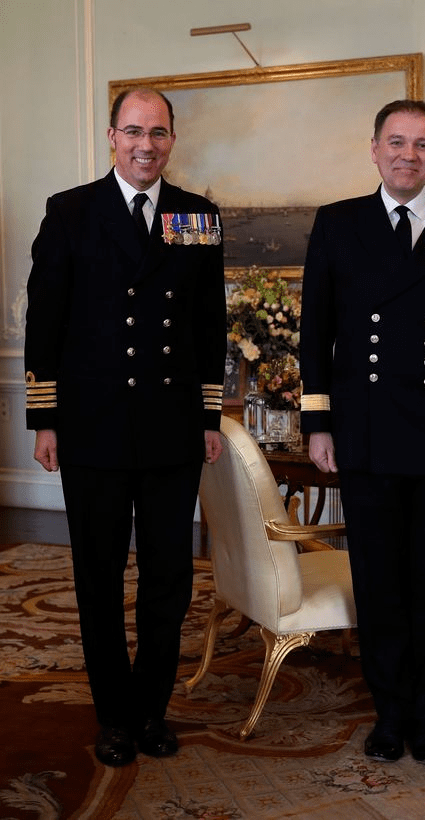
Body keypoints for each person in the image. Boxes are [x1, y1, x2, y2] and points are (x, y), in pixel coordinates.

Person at [300, 99, 425, 764]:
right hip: (365, 432)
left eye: (422, 145)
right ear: (374, 148)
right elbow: (316, 333)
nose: (407, 155)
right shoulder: (338, 225)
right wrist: (317, 423)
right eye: (396, 142)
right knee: (380, 580)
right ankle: (389, 712)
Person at [25, 87, 226, 767]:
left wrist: (208, 416)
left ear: (174, 139)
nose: (147, 144)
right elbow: (45, 318)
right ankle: (113, 715)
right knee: (99, 575)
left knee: (169, 577)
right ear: (112, 136)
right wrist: (43, 417)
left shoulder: (198, 217)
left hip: (171, 430)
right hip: (93, 427)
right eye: (134, 131)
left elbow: (207, 324)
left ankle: (151, 710)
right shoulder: (71, 211)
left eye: (159, 133)